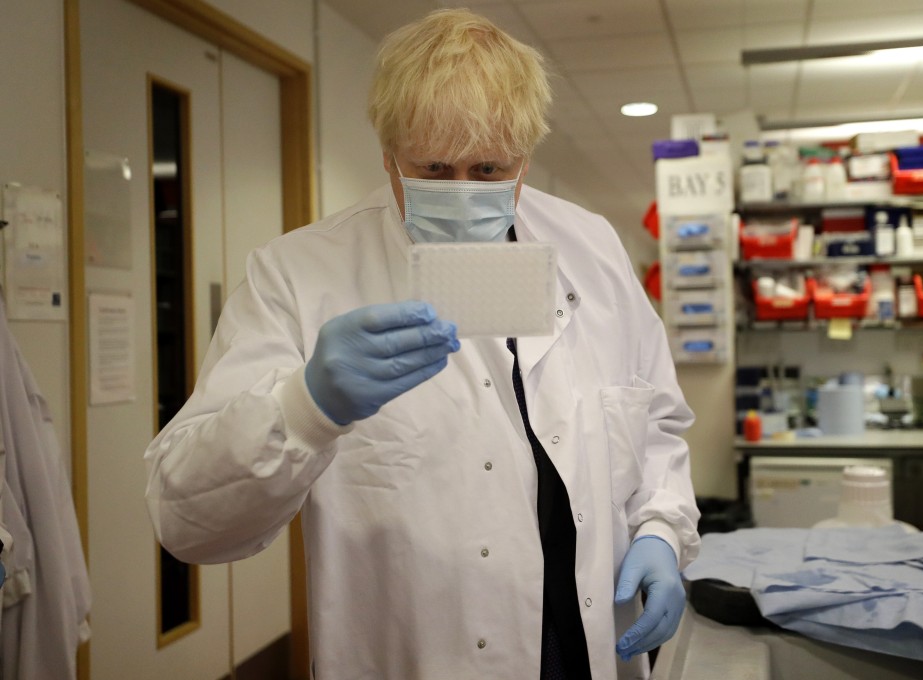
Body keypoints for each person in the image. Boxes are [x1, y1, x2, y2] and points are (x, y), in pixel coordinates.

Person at [144, 8, 700, 680]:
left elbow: (656, 424)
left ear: (525, 161)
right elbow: (189, 524)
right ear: (388, 156)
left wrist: (662, 531)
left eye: (490, 169)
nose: (463, 191)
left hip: (587, 647)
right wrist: (303, 408)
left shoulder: (591, 247)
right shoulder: (298, 274)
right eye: (435, 167)